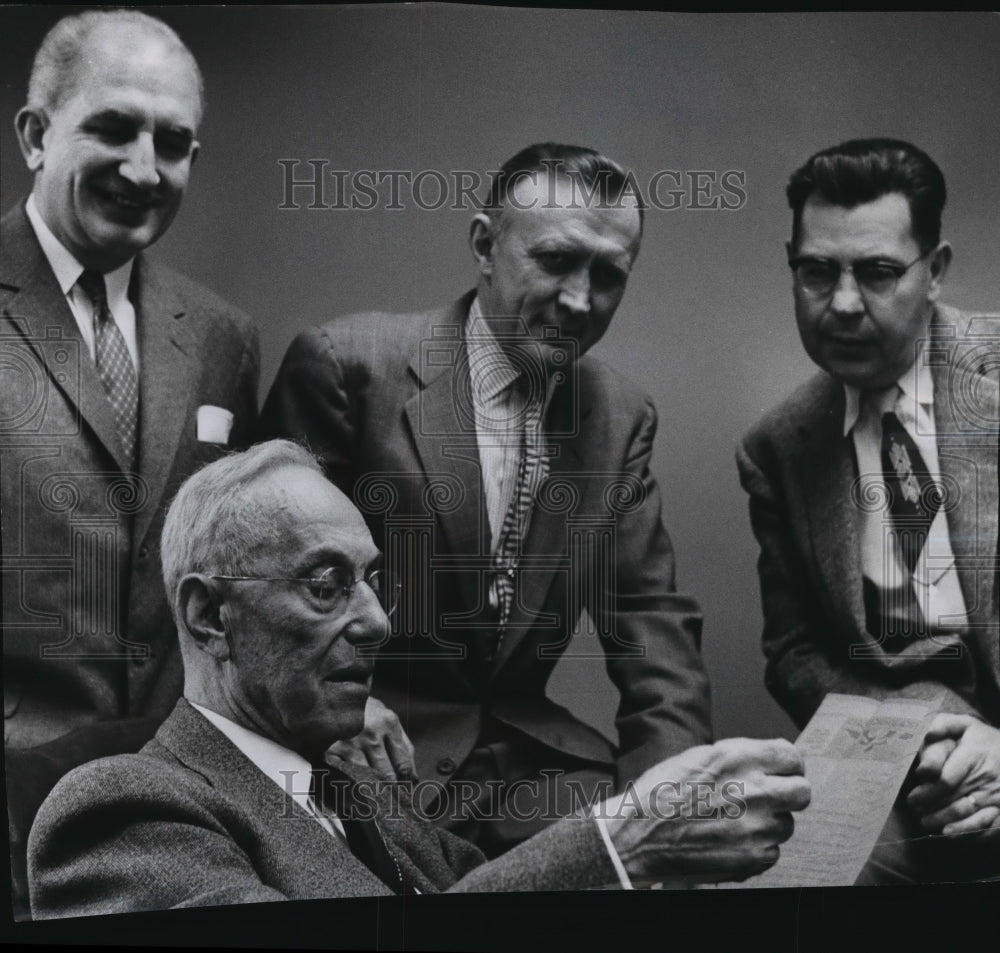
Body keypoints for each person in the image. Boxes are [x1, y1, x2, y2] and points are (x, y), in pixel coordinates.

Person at [27, 440, 810, 916]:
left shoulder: (367, 792)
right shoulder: (122, 810)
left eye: (373, 581)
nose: (377, 622)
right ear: (208, 616)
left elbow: (494, 901)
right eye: (326, 584)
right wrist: (620, 840)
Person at [261, 143, 712, 853]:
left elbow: (650, 622)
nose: (578, 298)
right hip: (363, 753)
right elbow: (266, 578)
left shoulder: (621, 415)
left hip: (531, 762)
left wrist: (669, 792)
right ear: (484, 243)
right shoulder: (348, 366)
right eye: (557, 260)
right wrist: (338, 712)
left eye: (608, 275)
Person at [737, 138, 1000, 881]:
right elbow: (794, 656)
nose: (844, 303)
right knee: (784, 879)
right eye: (818, 271)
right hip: (907, 758)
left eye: (879, 272)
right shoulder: (777, 445)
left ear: (936, 270)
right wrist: (932, 732)